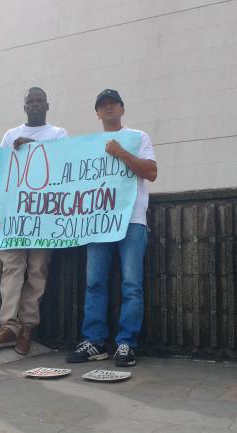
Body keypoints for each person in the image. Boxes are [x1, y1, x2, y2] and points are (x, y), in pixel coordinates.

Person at [66, 89, 157, 367]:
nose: (107, 109)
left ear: (122, 109)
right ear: (97, 112)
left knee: (131, 284)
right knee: (94, 283)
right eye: (102, 105)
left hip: (132, 220)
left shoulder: (138, 138)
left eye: (112, 104)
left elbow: (151, 172)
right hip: (98, 222)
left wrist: (120, 153)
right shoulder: (88, 144)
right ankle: (94, 341)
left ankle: (126, 343)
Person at [0, 87, 68, 355]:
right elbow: (1, 171)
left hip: (44, 215)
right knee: (11, 268)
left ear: (47, 105)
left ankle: (28, 326)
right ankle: (9, 325)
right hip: (14, 215)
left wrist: (33, 147)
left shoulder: (58, 134)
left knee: (37, 270)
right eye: (29, 101)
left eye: (38, 101)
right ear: (24, 107)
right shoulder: (10, 135)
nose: (34, 105)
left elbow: (64, 166)